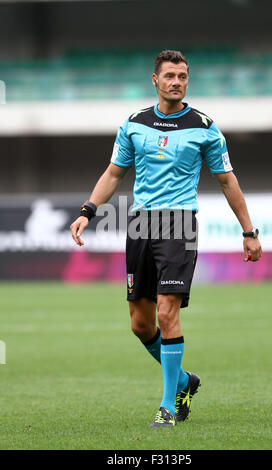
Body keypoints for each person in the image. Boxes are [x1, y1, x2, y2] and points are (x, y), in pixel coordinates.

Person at [70, 50, 262, 428]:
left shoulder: (205, 126)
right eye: (170, 76)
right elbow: (113, 174)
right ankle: (184, 380)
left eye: (183, 76)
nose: (177, 82)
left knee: (166, 311)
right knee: (141, 325)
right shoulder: (133, 124)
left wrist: (249, 231)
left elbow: (227, 181)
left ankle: (168, 406)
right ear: (155, 80)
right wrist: (87, 211)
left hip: (179, 224)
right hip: (141, 225)